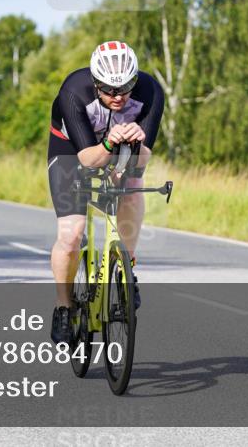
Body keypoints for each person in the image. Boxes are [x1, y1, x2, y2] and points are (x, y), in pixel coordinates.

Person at [47, 41, 164, 345]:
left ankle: (127, 265)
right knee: (71, 235)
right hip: (72, 152)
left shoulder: (150, 91)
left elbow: (143, 160)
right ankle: (63, 305)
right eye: (109, 90)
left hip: (119, 148)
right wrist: (111, 144)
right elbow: (87, 159)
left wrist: (136, 147)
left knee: (133, 190)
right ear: (95, 82)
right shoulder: (74, 91)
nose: (118, 97)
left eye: (125, 88)